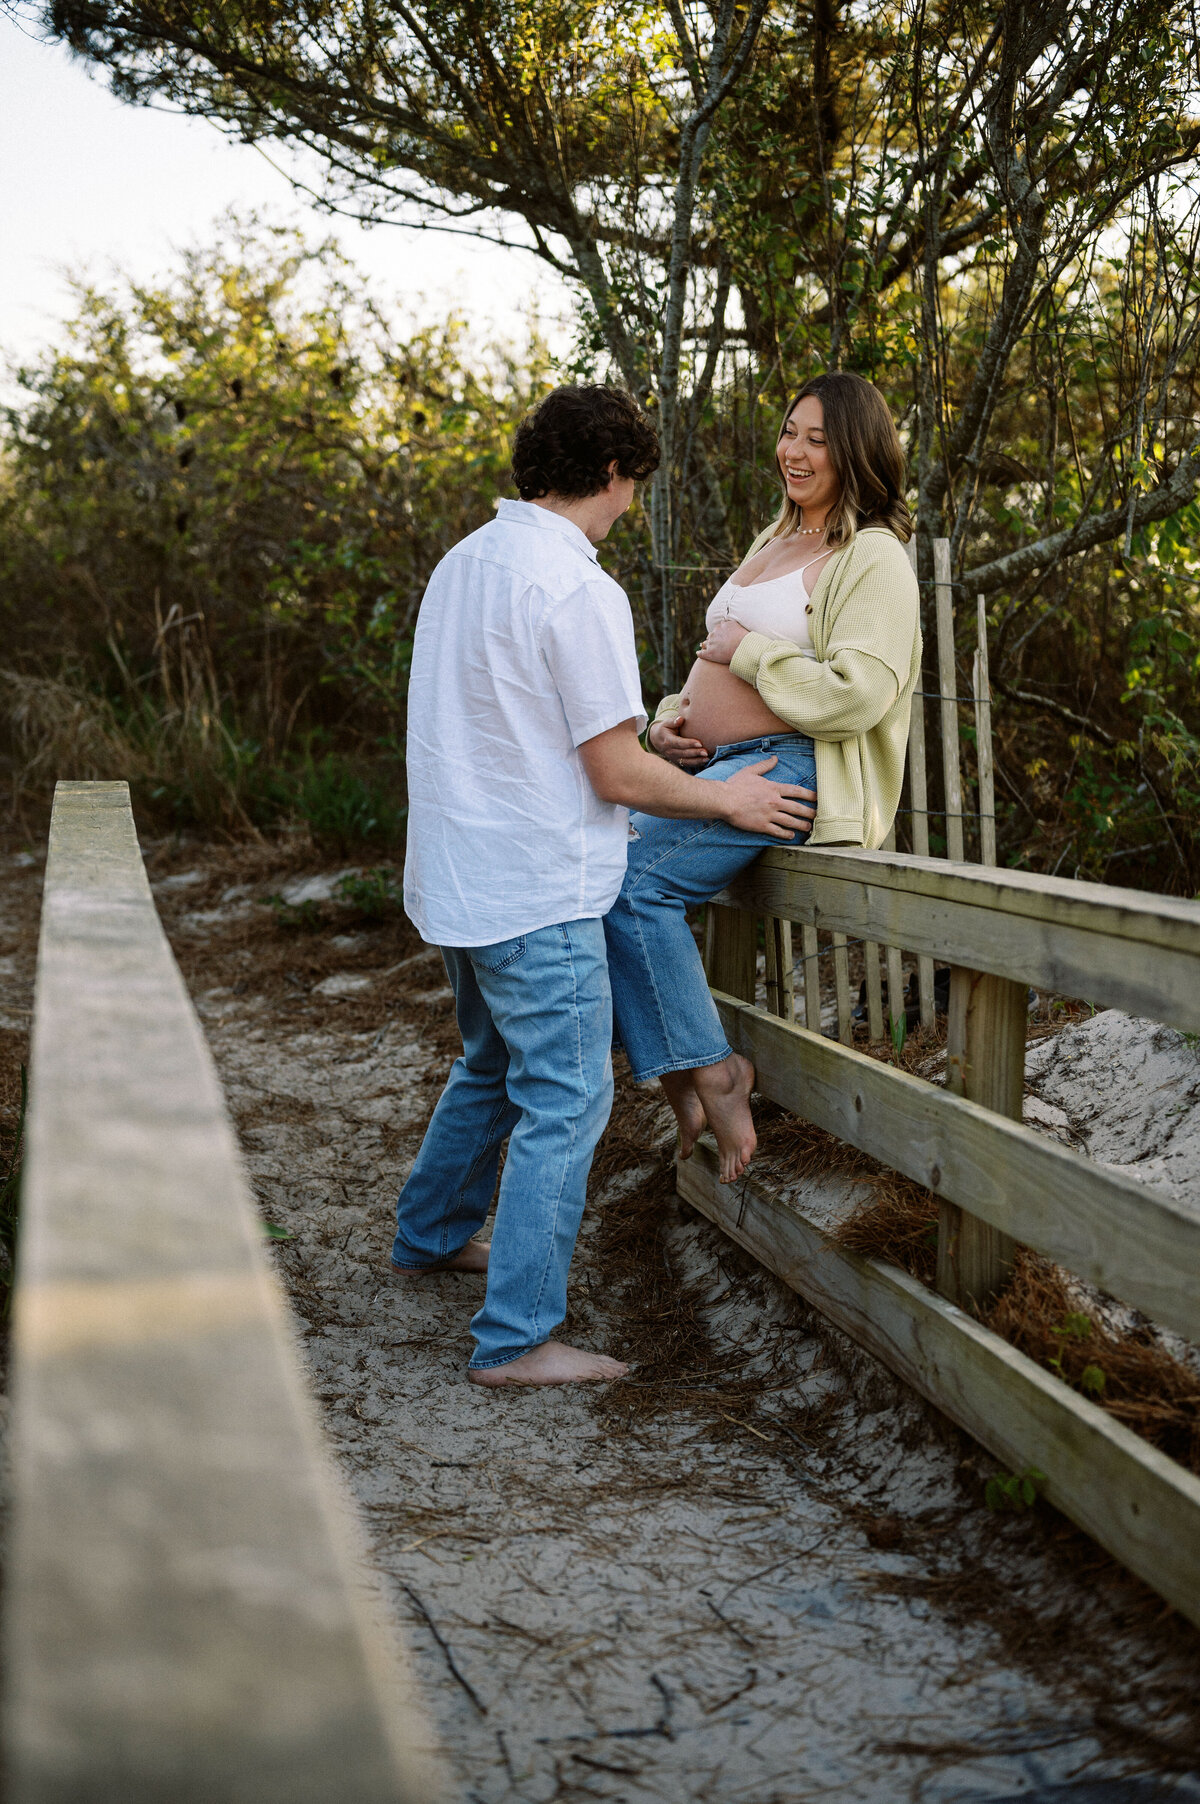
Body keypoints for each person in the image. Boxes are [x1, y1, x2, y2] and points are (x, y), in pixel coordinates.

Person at [393, 384, 816, 1387]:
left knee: (491, 1063)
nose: (631, 505)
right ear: (620, 473)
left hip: (459, 876)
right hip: (536, 888)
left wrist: (650, 739)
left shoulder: (466, 563)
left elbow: (538, 726)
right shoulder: (579, 588)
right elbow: (614, 776)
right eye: (635, 486)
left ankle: (431, 1232)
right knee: (567, 1097)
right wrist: (726, 804)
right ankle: (518, 1338)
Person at [604, 370, 921, 1185]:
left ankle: (713, 1074)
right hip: (721, 762)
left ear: (857, 452)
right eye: (790, 432)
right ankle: (688, 1074)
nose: (795, 451)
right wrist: (669, 724)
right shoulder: (773, 540)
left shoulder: (873, 556)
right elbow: (712, 659)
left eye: (818, 439)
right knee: (597, 873)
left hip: (795, 765)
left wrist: (747, 654)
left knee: (634, 883)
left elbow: (859, 694)